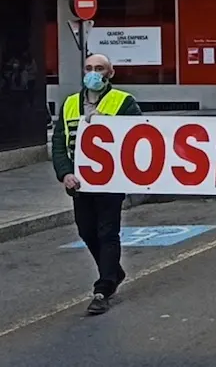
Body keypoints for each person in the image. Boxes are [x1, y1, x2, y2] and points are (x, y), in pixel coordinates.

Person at [51, 54, 142, 315]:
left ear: (110, 73)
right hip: (80, 183)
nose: (93, 73)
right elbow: (59, 143)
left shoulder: (124, 102)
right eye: (89, 68)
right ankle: (114, 271)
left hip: (111, 182)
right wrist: (65, 173)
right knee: (86, 231)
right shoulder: (70, 103)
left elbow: (140, 136)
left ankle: (103, 288)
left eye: (99, 68)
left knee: (107, 232)